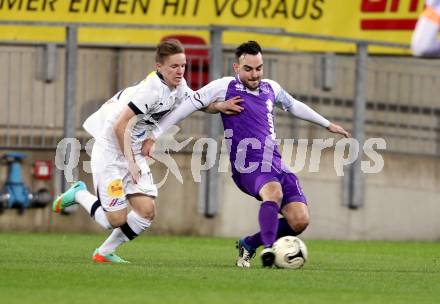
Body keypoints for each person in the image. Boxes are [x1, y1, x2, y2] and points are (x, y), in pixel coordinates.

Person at [142, 41, 350, 268]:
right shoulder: (224, 86)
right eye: (248, 69)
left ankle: (249, 244)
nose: (254, 74)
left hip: (276, 164)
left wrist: (327, 124)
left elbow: (294, 106)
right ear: (236, 68)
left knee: (299, 220)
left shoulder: (271, 88)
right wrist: (154, 135)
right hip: (247, 166)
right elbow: (186, 107)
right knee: (273, 192)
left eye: (258, 68)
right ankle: (269, 249)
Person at [51, 39, 241, 263]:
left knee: (146, 211)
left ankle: (103, 253)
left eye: (183, 65)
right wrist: (131, 163)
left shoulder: (178, 85)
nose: (180, 71)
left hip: (133, 149)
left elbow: (195, 102)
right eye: (174, 66)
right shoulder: (150, 91)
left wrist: (218, 106)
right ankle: (79, 193)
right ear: (159, 67)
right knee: (114, 220)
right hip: (111, 153)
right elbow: (119, 126)